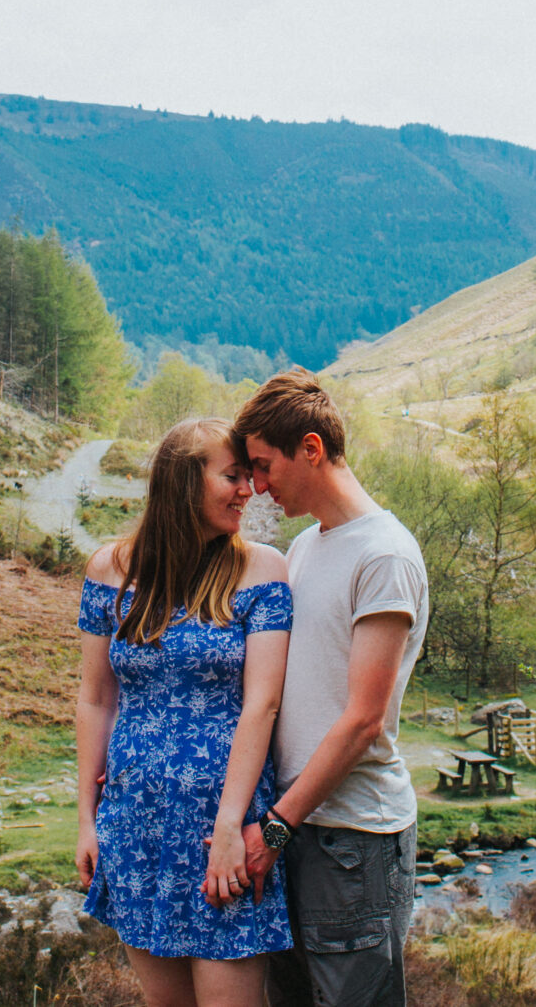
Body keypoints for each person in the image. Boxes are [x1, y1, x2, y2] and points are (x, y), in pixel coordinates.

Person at [228, 370, 430, 1007]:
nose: (258, 485)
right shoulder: (308, 548)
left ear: (310, 449)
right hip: (293, 830)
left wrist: (277, 828)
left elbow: (362, 721)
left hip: (352, 841)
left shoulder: (385, 555)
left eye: (264, 465)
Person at [78, 416, 295, 1006]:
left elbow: (263, 704)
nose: (247, 490)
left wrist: (229, 829)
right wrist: (85, 819)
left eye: (249, 477)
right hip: (135, 826)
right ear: (182, 483)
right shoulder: (109, 572)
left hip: (217, 837)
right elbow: (96, 698)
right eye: (233, 476)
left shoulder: (262, 570)